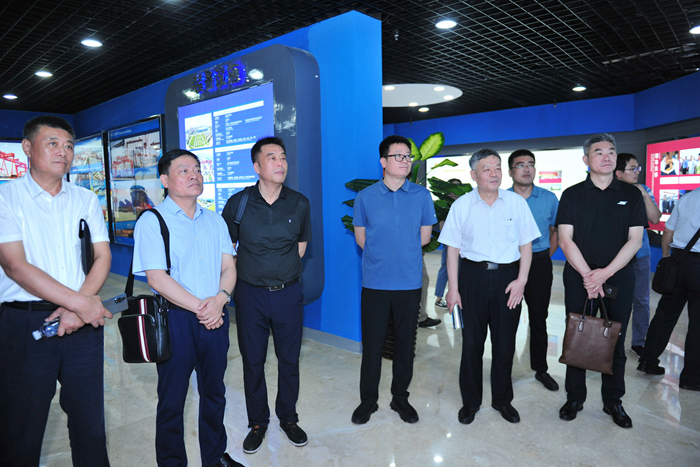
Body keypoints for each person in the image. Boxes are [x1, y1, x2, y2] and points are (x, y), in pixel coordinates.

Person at [0, 116, 113, 466]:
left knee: (90, 425)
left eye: (68, 146)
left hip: (81, 327)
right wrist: (81, 304)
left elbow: (102, 256)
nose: (63, 152)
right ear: (27, 147)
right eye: (52, 143)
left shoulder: (85, 198)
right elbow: (15, 265)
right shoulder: (6, 197)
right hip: (26, 324)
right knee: (22, 426)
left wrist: (75, 310)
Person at [132, 149, 241, 467]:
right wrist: (203, 308)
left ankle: (215, 457)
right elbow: (157, 277)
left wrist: (220, 299)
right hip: (175, 320)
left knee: (215, 393)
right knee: (172, 399)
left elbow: (229, 267)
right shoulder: (152, 221)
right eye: (184, 170)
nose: (194, 175)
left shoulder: (215, 220)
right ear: (165, 180)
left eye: (197, 169)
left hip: (216, 316)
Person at [222, 137, 311, 454]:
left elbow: (300, 248)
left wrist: (278, 271)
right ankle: (258, 423)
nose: (280, 163)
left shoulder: (299, 203)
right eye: (272, 157)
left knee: (289, 361)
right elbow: (227, 250)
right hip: (250, 296)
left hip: (288, 295)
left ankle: (288, 418)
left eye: (283, 157)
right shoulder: (239, 203)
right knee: (253, 361)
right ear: (257, 167)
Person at [440, 148, 539, 425]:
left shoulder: (516, 203)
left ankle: (502, 400)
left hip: (508, 279)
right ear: (473, 175)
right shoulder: (462, 205)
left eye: (497, 167)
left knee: (505, 343)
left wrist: (521, 280)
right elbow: (452, 250)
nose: (494, 173)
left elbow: (526, 245)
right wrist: (453, 288)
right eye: (487, 169)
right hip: (472, 277)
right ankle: (470, 402)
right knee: (472, 343)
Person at [556, 133, 646, 429]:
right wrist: (588, 276)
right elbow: (565, 240)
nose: (606, 157)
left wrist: (603, 274)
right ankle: (574, 397)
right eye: (599, 152)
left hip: (618, 277)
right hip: (579, 277)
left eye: (611, 152)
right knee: (577, 336)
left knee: (615, 339)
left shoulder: (631, 194)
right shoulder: (572, 194)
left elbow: (635, 240)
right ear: (586, 159)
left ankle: (613, 400)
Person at [351, 135, 437, 425]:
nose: (405, 161)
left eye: (408, 156)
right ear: (383, 162)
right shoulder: (365, 197)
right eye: (398, 156)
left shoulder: (422, 196)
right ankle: (368, 401)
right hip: (375, 284)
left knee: (404, 347)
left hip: (409, 284)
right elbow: (361, 238)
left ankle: (400, 398)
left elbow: (424, 237)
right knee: (372, 347)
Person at [506, 149, 560, 391]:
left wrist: (544, 256)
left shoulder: (549, 198)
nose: (526, 169)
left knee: (539, 317)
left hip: (539, 263)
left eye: (530, 164)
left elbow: (555, 231)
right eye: (520, 165)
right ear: (511, 172)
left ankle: (541, 369)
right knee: (507, 319)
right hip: (509, 264)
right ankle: (503, 369)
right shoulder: (501, 198)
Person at [637, 187, 700, 391]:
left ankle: (648, 361)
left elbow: (668, 232)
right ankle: (691, 378)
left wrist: (667, 259)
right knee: (697, 325)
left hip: (678, 261)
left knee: (664, 315)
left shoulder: (687, 198)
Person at [614, 153, 661, 357]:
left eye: (638, 168)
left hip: (640, 254)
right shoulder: (609, 192)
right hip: (614, 256)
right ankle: (608, 341)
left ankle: (639, 342)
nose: (637, 172)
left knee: (641, 300)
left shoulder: (644, 190)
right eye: (632, 169)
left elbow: (655, 218)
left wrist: (643, 194)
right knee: (613, 300)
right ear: (618, 173)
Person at [433, 179, 463, 310]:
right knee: (445, 269)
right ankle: (439, 298)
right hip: (450, 243)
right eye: (452, 187)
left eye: (458, 187)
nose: (454, 190)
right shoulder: (444, 204)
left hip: (465, 245)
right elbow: (442, 227)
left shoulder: (464, 203)